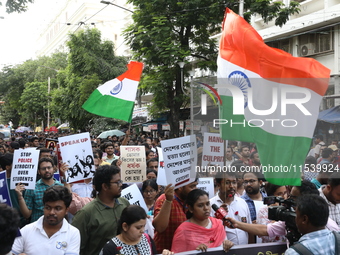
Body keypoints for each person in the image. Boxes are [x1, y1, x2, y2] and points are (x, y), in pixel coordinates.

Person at [71, 165, 130, 255]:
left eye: (120, 181)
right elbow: (77, 247)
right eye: (117, 182)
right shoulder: (86, 213)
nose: (121, 185)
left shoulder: (124, 204)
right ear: (105, 186)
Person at [11, 186, 80, 255]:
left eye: (57, 208)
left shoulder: (73, 233)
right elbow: (12, 253)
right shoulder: (26, 230)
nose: (51, 212)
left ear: (66, 210)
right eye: (48, 207)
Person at [153, 180, 198, 253]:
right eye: (192, 186)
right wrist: (168, 201)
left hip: (186, 251)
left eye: (196, 185)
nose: (195, 189)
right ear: (180, 187)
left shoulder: (193, 201)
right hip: (164, 251)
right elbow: (159, 228)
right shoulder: (164, 199)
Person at [15, 157, 63, 222]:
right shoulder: (32, 188)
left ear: (53, 169)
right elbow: (27, 215)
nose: (47, 170)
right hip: (37, 228)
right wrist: (20, 196)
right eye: (43, 168)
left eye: (49, 168)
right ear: (39, 171)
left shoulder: (61, 187)